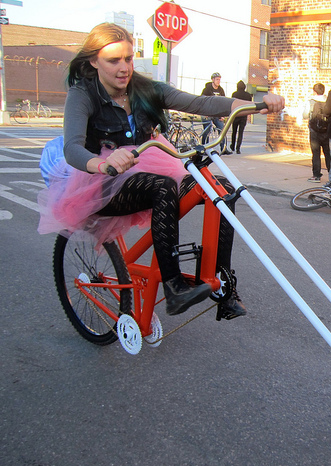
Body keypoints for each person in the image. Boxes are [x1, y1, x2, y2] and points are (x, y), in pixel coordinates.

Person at [37, 23, 285, 318]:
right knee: (162, 187)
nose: (123, 68)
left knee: (221, 188)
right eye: (113, 60)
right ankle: (174, 287)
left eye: (128, 58)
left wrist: (255, 105)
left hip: (142, 166)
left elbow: (200, 102)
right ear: (93, 61)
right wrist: (103, 163)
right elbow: (73, 149)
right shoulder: (83, 94)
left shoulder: (144, 88)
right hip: (101, 179)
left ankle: (222, 284)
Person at [302, 83, 330, 182]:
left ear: (314, 91)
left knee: (316, 153)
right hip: (327, 131)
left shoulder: (311, 102)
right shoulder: (329, 101)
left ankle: (316, 176)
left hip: (314, 131)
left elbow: (305, 115)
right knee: (328, 154)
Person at [201, 72, 231, 154]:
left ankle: (223, 148)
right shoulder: (207, 90)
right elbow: (202, 101)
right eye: (217, 79)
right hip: (207, 113)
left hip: (217, 114)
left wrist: (223, 115)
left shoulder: (221, 90)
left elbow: (223, 103)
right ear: (212, 80)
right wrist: (205, 112)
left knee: (222, 130)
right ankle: (204, 149)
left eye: (219, 80)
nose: (218, 81)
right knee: (206, 132)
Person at [229, 80, 253, 154]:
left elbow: (232, 104)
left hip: (236, 115)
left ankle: (232, 146)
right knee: (240, 132)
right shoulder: (248, 95)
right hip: (243, 115)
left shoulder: (234, 94)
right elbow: (250, 105)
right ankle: (238, 148)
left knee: (234, 132)